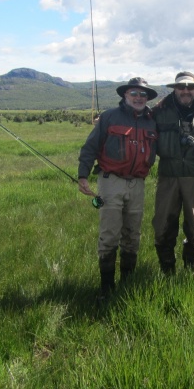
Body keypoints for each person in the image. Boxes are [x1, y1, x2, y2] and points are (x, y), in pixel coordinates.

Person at [77, 77, 159, 296]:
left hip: (138, 184)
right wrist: (82, 176)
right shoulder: (109, 117)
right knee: (109, 234)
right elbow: (90, 147)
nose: (139, 98)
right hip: (110, 182)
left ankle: (127, 283)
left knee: (133, 235)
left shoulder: (152, 121)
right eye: (134, 93)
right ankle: (106, 287)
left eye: (143, 95)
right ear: (125, 95)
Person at [151, 71, 194, 274]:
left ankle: (190, 269)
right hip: (168, 176)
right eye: (181, 87)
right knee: (163, 225)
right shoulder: (159, 110)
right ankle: (167, 270)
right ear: (174, 89)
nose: (186, 91)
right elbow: (135, 120)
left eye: (190, 87)